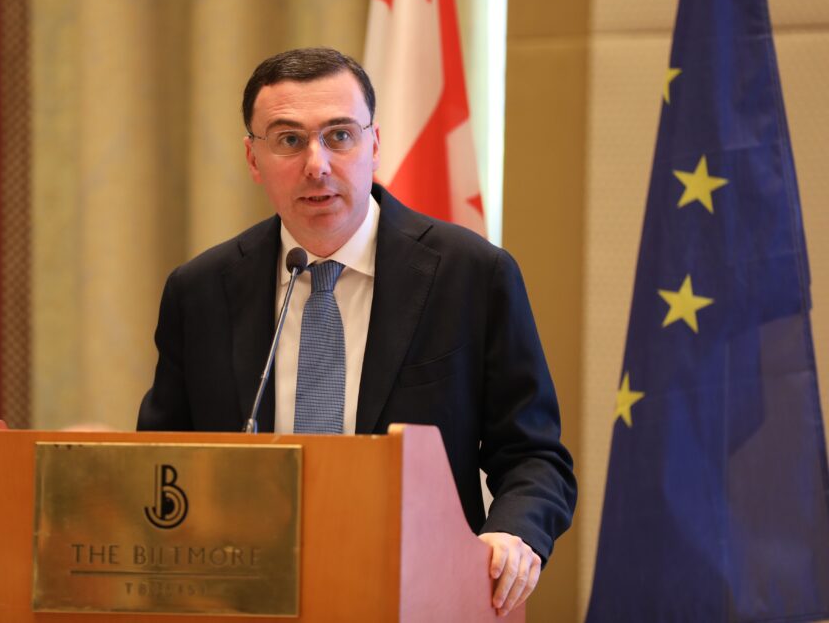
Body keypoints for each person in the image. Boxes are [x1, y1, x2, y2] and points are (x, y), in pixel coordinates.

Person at [138, 47, 576, 616]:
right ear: (253, 159)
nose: (316, 164)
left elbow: (534, 455)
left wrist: (514, 534)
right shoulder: (200, 291)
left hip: (417, 597)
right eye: (289, 140)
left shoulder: (471, 275)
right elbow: (161, 460)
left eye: (339, 136)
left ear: (375, 145)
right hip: (242, 597)